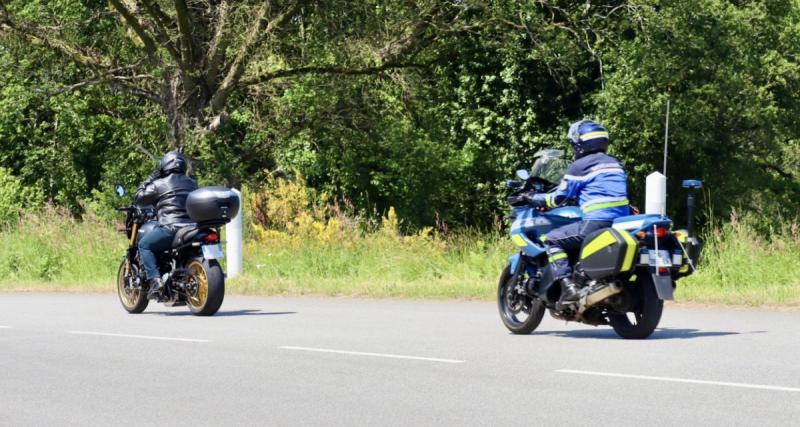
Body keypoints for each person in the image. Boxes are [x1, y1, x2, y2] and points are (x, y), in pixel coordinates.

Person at [528, 119, 629, 304]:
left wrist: (534, 198)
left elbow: (558, 198)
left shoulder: (580, 166)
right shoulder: (616, 164)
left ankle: (567, 287)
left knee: (551, 239)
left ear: (581, 144)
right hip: (621, 224)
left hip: (596, 222)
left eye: (574, 144)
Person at [134, 151, 197, 298]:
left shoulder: (159, 184)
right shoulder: (193, 183)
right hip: (192, 227)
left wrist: (150, 178)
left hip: (171, 228)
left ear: (165, 166)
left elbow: (139, 198)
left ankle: (155, 281)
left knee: (144, 245)